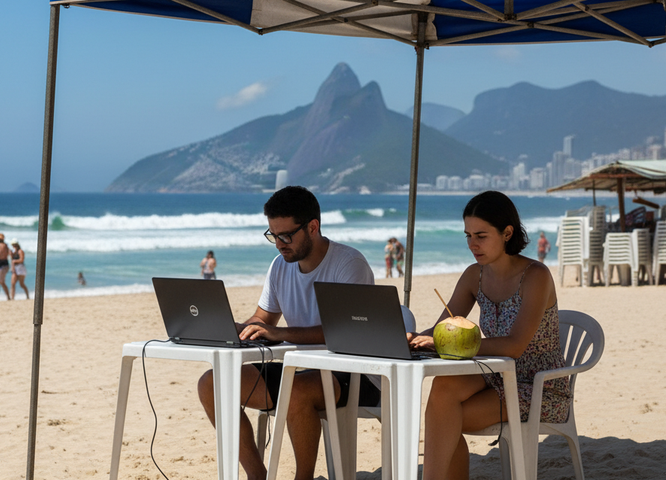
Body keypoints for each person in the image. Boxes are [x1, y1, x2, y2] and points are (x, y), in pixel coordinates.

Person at [196, 186, 376, 480]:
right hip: (301, 370)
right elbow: (264, 318)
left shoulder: (349, 264)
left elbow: (346, 332)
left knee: (295, 389)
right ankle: (257, 476)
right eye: (273, 235)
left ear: (313, 227)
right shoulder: (280, 266)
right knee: (212, 383)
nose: (279, 244)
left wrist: (278, 332)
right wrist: (239, 329)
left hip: (354, 373)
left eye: (286, 236)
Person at [407, 191, 571, 480]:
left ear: (507, 233)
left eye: (481, 236)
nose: (473, 244)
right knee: (444, 387)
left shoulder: (536, 275)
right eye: (468, 236)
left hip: (537, 385)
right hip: (495, 374)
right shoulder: (475, 275)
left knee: (445, 419)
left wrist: (443, 345)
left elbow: (515, 346)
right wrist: (416, 338)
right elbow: (443, 328)